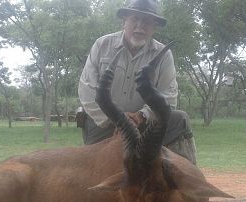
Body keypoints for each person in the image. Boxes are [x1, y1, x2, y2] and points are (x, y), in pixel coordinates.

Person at [78, 0, 196, 164]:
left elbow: (168, 97)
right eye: (135, 19)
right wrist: (117, 120)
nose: (140, 26)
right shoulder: (101, 45)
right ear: (124, 21)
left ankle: (184, 180)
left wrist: (142, 115)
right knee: (93, 174)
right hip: (105, 124)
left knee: (180, 119)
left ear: (154, 26)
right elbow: (86, 90)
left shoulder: (164, 55)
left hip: (144, 124)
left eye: (147, 21)